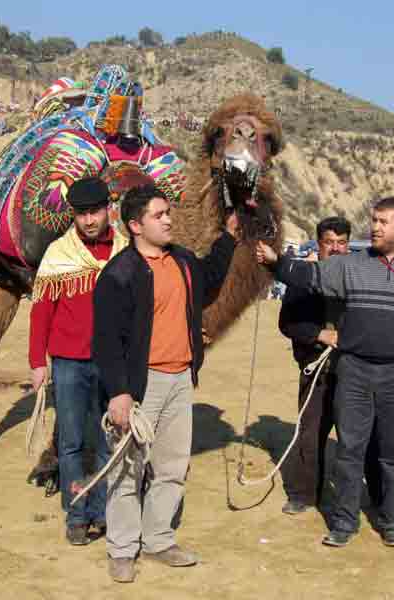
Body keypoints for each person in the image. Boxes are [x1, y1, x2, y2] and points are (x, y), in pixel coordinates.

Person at [256, 196, 394, 549]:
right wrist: (275, 261)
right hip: (354, 371)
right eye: (373, 220)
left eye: (383, 222)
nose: (375, 227)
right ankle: (344, 523)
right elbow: (308, 276)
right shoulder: (350, 266)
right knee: (349, 450)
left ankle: (392, 521)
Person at [93, 184, 238, 583]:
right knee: (127, 470)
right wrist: (119, 393)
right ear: (135, 225)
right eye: (158, 215)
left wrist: (228, 236)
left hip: (181, 379)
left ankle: (158, 539)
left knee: (172, 467)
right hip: (141, 385)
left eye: (167, 212)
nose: (168, 220)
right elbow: (106, 341)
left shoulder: (183, 261)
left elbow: (210, 280)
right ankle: (123, 549)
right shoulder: (119, 274)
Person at [28, 177, 128, 546]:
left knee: (106, 440)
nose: (88, 221)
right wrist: (38, 361)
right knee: (70, 443)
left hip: (111, 362)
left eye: (94, 212)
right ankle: (76, 515)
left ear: (108, 210)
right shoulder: (59, 253)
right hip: (68, 362)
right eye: (81, 214)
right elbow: (41, 311)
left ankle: (101, 511)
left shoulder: (125, 252)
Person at [278, 216, 350, 515]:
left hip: (353, 371)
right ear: (319, 244)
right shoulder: (303, 279)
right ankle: (304, 495)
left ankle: (366, 497)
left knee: (358, 437)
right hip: (316, 370)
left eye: (341, 243)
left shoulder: (357, 275)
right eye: (329, 242)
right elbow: (287, 323)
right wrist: (320, 334)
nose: (335, 248)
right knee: (310, 434)